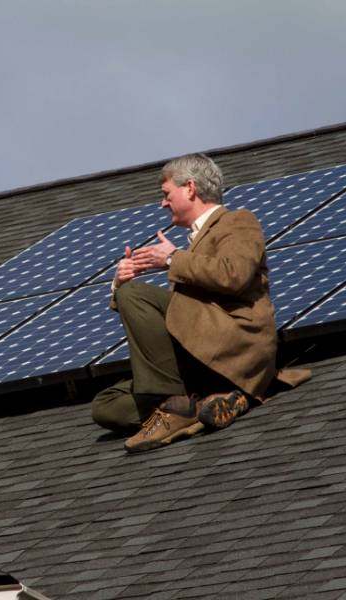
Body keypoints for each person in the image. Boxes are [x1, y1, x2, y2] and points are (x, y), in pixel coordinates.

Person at [91, 154, 277, 452]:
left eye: (166, 195)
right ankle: (204, 403)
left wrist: (170, 258)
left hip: (232, 346)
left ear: (190, 188)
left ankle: (175, 407)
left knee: (136, 295)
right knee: (105, 405)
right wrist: (119, 284)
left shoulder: (237, 221)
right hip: (200, 357)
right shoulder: (192, 244)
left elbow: (235, 274)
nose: (163, 204)